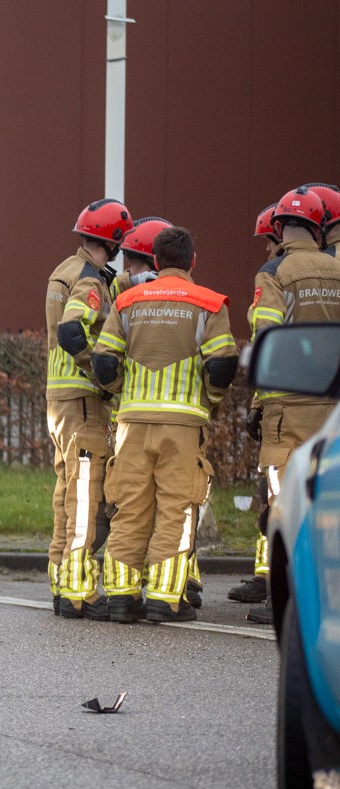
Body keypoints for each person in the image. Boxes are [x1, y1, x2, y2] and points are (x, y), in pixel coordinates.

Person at [91, 226, 239, 623]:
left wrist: (121, 393)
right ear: (192, 261)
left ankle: (121, 597)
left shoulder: (127, 301)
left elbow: (103, 361)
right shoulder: (209, 303)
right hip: (184, 425)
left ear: (156, 261)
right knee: (177, 508)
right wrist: (211, 400)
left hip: (132, 424)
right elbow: (222, 365)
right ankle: (164, 598)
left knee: (128, 508)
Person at [230, 186, 340, 622]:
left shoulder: (274, 272)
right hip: (332, 406)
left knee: (281, 501)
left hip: (287, 407)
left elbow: (267, 336)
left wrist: (259, 399)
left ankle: (283, 599)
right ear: (318, 227)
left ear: (279, 227)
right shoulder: (336, 268)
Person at [42, 199, 132, 620]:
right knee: (84, 497)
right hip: (82, 400)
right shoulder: (90, 279)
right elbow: (71, 329)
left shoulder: (64, 269)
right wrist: (99, 374)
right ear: (113, 241)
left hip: (60, 399)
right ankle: (79, 591)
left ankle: (63, 583)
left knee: (67, 494)